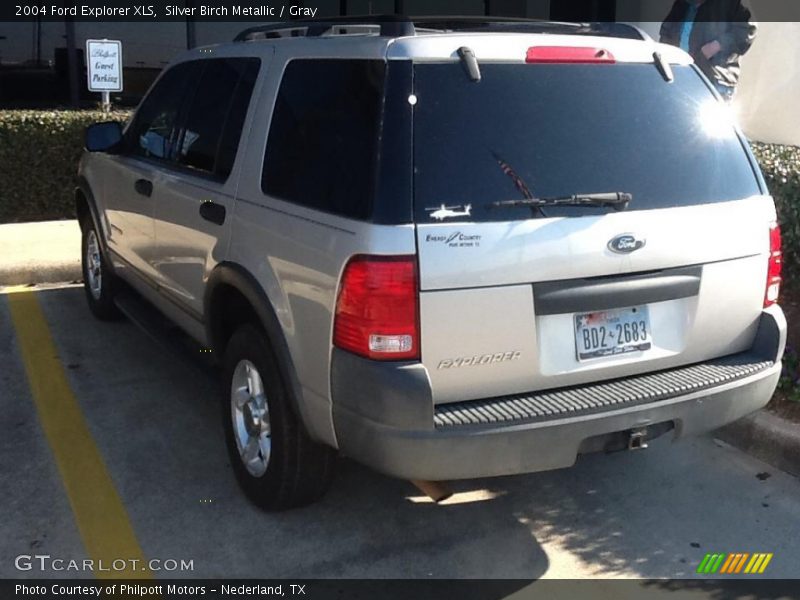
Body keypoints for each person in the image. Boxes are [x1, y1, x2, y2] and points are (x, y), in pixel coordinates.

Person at [660, 0, 757, 100]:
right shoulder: (683, 3)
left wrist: (715, 46)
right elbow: (666, 30)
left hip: (715, 80)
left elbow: (747, 32)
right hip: (681, 78)